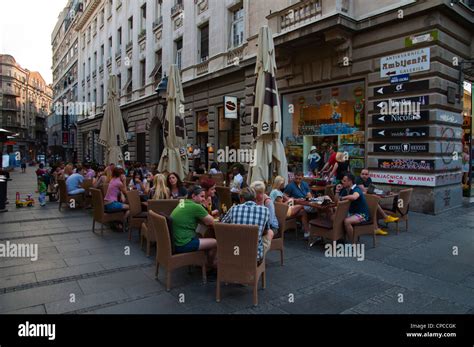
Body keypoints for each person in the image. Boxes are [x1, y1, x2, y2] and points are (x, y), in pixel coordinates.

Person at [171, 185, 217, 268]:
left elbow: (186, 214)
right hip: (183, 244)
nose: (203, 199)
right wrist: (206, 206)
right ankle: (210, 266)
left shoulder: (182, 202)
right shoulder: (196, 206)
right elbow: (211, 222)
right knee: (214, 242)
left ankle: (201, 261)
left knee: (201, 234)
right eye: (202, 196)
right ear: (193, 196)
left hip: (175, 241)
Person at [221, 188, 273, 261]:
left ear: (241, 199)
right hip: (255, 256)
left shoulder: (234, 209)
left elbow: (222, 226)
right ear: (255, 199)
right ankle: (260, 261)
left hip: (235, 253)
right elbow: (266, 231)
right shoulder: (265, 210)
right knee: (269, 233)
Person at [334, 173, 370, 243]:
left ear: (350, 182)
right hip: (351, 212)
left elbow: (354, 197)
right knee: (334, 217)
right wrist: (337, 191)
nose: (342, 182)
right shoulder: (345, 189)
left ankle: (353, 242)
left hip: (362, 214)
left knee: (347, 221)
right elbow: (337, 202)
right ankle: (340, 238)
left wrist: (342, 198)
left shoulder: (356, 189)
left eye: (344, 181)